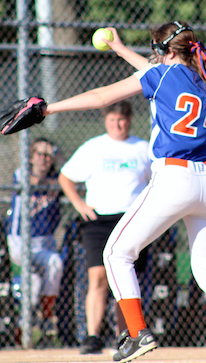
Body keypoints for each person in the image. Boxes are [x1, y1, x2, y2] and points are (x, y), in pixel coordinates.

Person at [15, 21, 206, 363]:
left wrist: (47, 109)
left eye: (154, 50)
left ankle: (137, 334)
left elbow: (103, 96)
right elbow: (156, 70)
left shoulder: (159, 76)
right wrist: (120, 49)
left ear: (163, 52)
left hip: (175, 178)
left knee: (116, 254)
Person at [58, 101, 151, 355]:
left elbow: (158, 182)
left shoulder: (143, 148)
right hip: (98, 221)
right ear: (105, 121)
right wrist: (79, 205)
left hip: (131, 221)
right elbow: (65, 177)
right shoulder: (94, 147)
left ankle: (127, 335)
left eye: (121, 120)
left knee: (126, 279)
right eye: (112, 120)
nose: (117, 125)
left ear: (129, 120)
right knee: (97, 278)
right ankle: (92, 336)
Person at [5, 137, 64, 338]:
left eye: (48, 155)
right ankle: (27, 327)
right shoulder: (21, 172)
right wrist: (56, 184)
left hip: (45, 241)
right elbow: (35, 181)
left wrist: (58, 182)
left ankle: (42, 321)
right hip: (20, 241)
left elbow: (71, 184)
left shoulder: (58, 177)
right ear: (31, 157)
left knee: (46, 272)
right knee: (38, 278)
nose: (44, 159)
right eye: (39, 154)